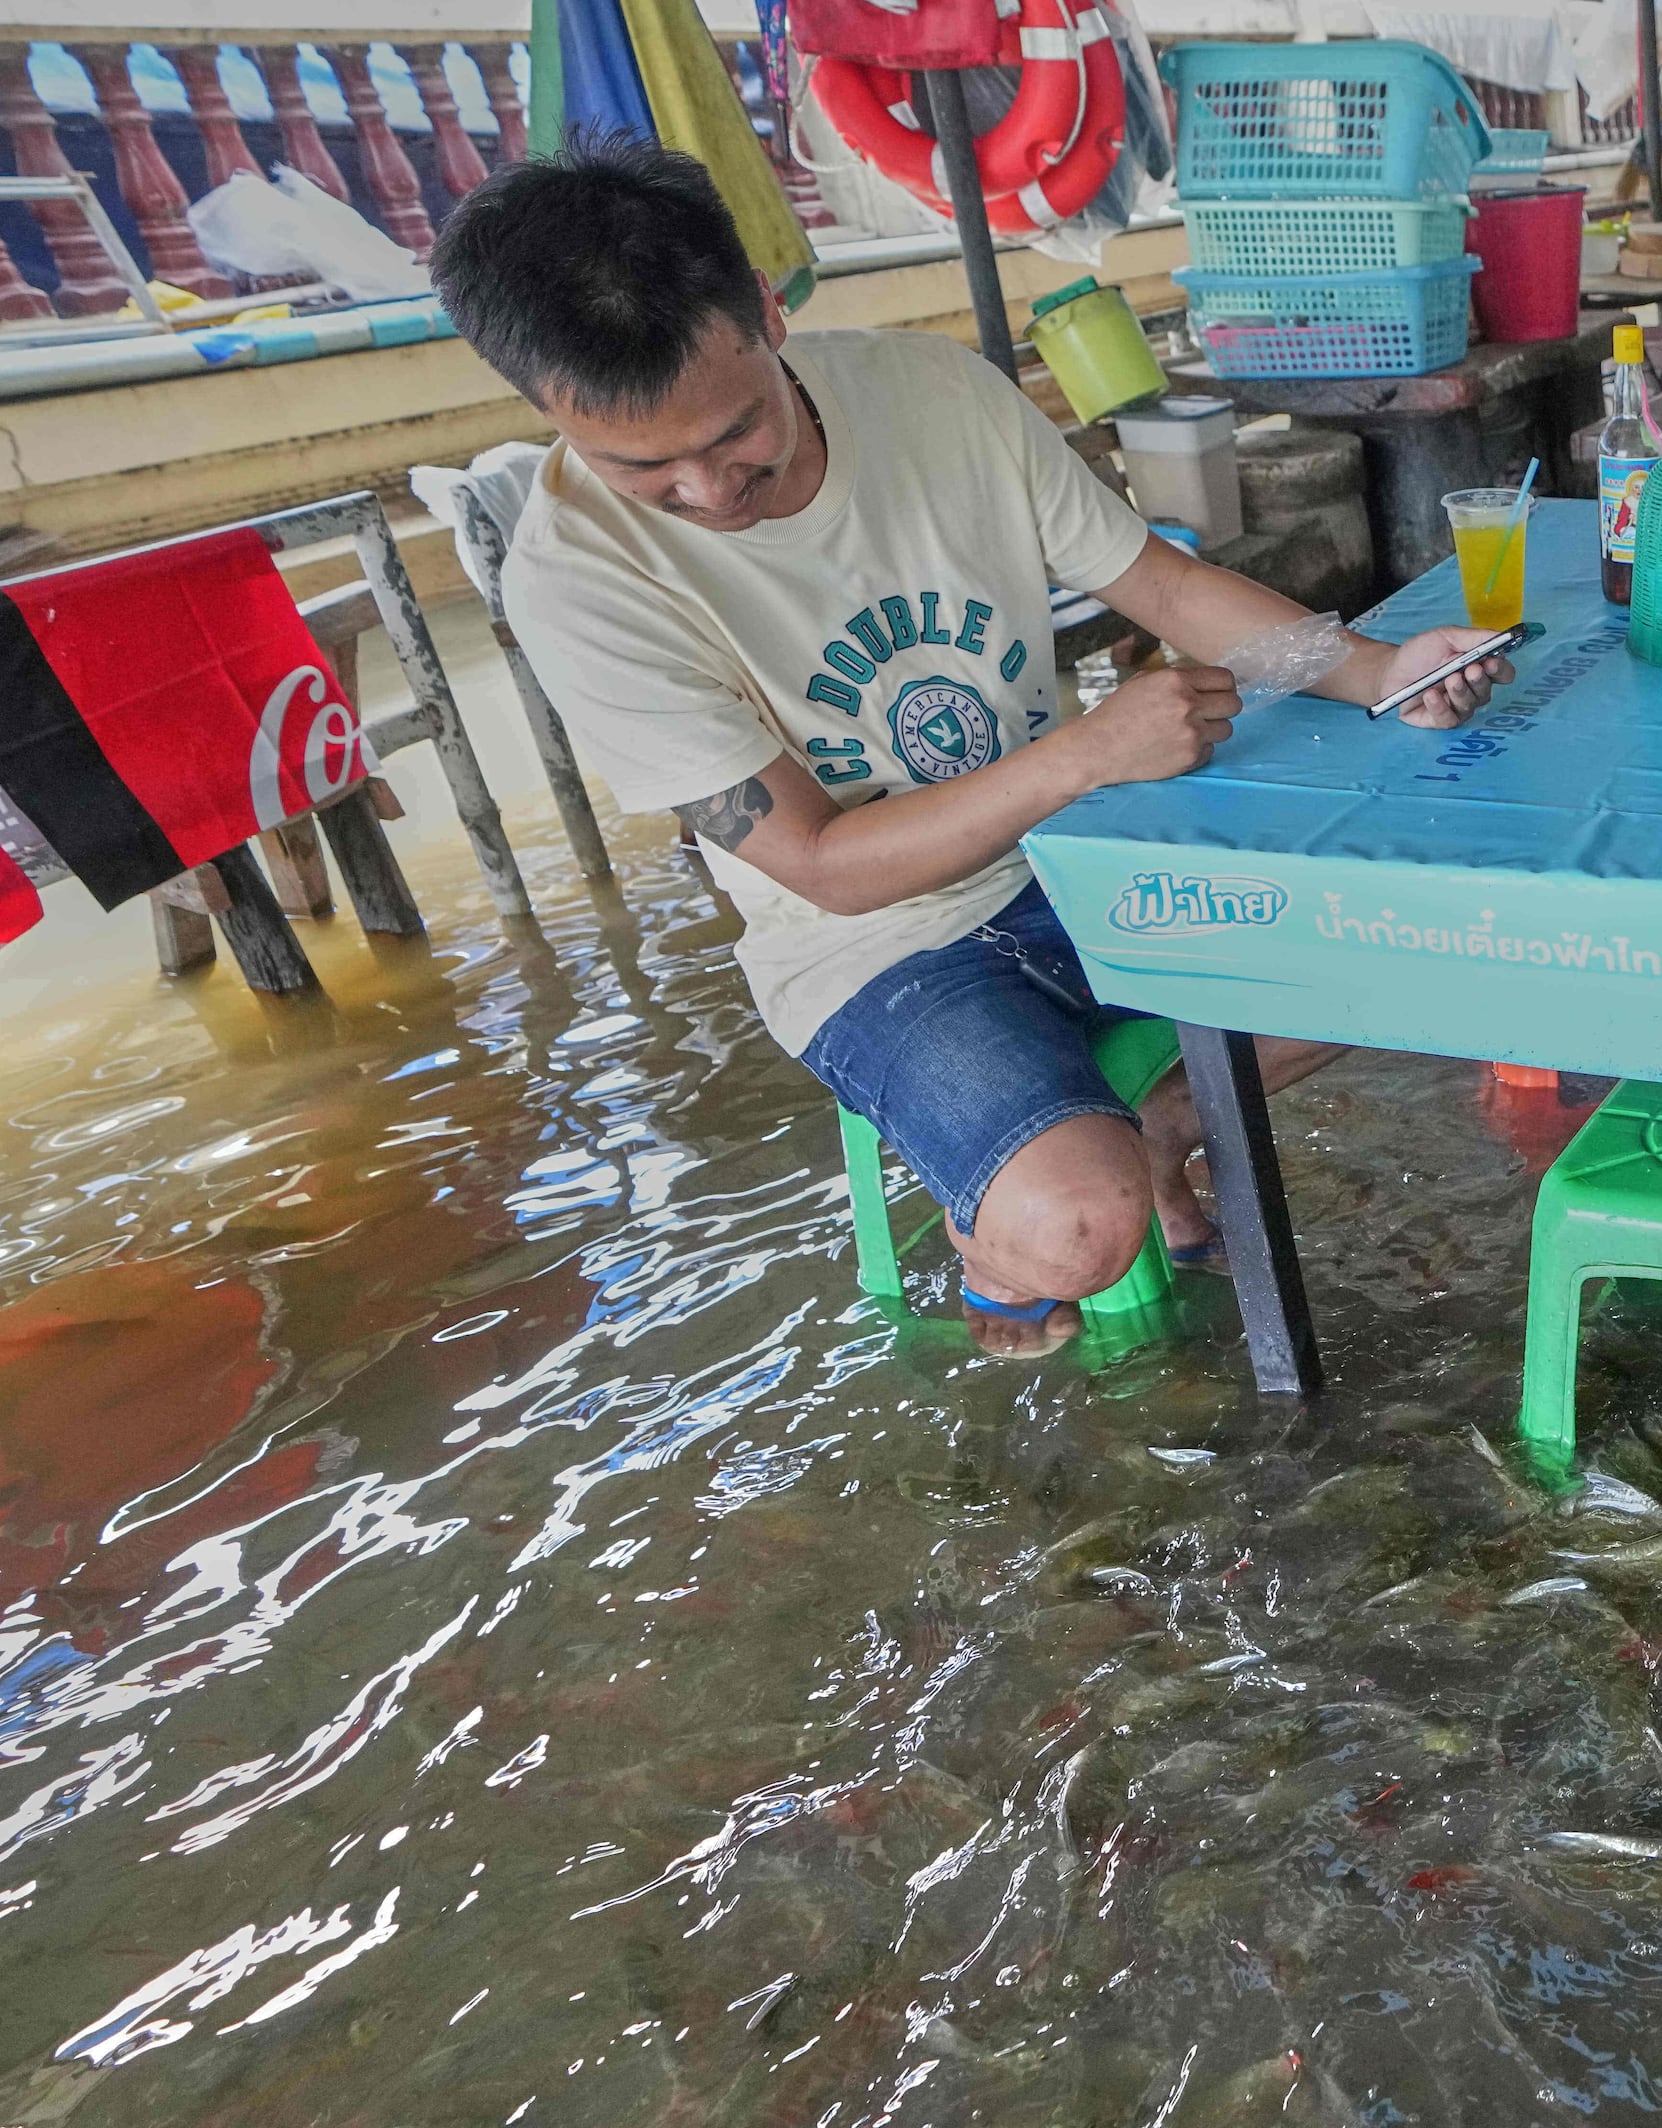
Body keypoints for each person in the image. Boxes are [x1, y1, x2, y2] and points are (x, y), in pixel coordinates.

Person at [436, 140, 1511, 1360]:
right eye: (644, 468)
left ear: (771, 314)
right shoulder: (576, 580)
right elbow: (826, 868)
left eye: (738, 434)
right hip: (874, 949)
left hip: (1070, 857)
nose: (708, 490)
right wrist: (1087, 756)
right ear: (545, 406)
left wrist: (1379, 671)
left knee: (1413, 941)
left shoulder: (934, 397)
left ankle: (1158, 1122)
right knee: (1077, 1236)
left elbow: (1160, 584)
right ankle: (1013, 1240)